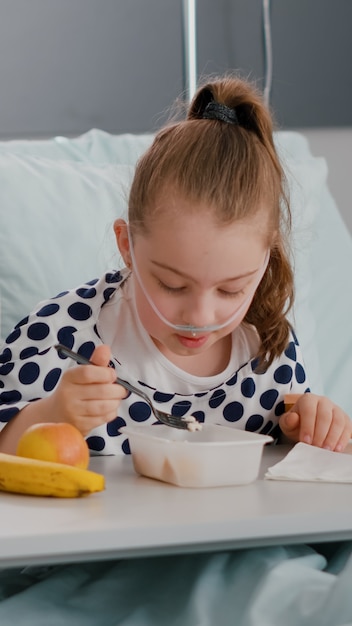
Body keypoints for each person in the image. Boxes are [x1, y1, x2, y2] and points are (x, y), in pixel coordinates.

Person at [0, 75, 350, 456]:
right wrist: (52, 413)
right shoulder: (59, 338)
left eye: (231, 289)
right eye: (172, 285)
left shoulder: (269, 352)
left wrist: (313, 430)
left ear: (265, 262)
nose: (200, 315)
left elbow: (290, 473)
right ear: (127, 246)